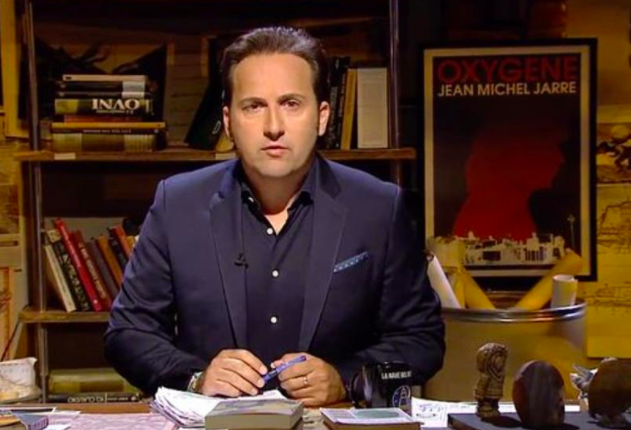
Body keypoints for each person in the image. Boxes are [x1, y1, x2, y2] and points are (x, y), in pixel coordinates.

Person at [105, 26, 444, 406]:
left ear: (322, 117)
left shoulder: (379, 206)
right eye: (254, 106)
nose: (273, 127)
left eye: (291, 104)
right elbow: (128, 333)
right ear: (229, 122)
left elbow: (422, 339)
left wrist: (346, 378)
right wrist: (196, 378)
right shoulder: (178, 204)